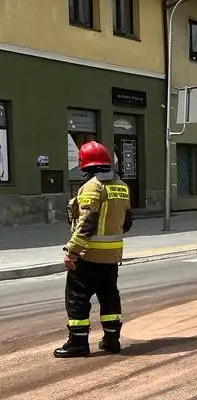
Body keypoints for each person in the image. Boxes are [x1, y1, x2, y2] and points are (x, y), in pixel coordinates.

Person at [54, 141, 133, 359]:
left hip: (88, 256)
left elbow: (86, 224)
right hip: (111, 257)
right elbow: (127, 223)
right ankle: (112, 340)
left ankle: (78, 343)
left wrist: (71, 251)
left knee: (77, 298)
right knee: (109, 296)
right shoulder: (121, 186)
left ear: (85, 165)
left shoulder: (91, 187)